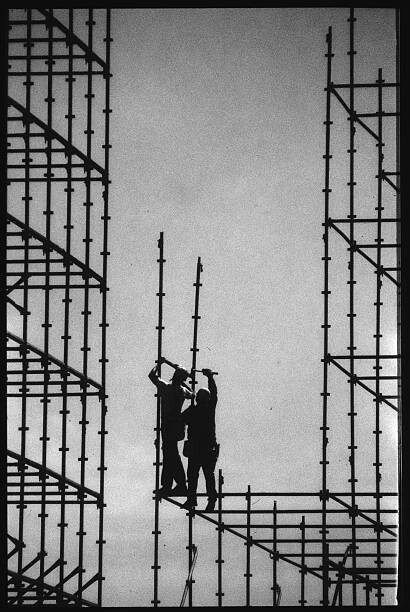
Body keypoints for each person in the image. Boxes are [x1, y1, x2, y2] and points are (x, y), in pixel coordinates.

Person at [148, 357, 194, 497]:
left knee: (170, 455)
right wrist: (178, 371)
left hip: (168, 425)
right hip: (177, 426)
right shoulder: (182, 391)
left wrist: (159, 364)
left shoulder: (165, 387)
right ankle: (169, 485)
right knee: (170, 454)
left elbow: (151, 375)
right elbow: (193, 394)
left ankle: (178, 484)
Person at [181, 368, 219, 512]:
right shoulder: (208, 409)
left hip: (198, 449)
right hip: (206, 449)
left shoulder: (193, 411)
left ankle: (192, 499)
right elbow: (214, 394)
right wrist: (209, 377)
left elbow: (179, 420)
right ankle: (210, 499)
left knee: (193, 475)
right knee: (207, 475)